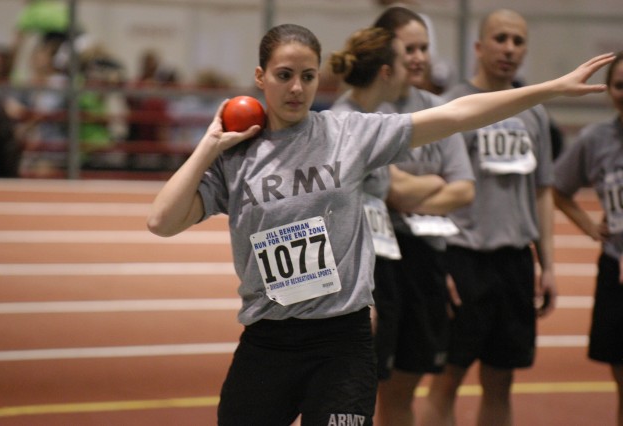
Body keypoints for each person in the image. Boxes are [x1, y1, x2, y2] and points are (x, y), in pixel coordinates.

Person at [146, 21, 613, 426]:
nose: (296, 89)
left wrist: (549, 89)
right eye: (284, 76)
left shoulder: (349, 134)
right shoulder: (236, 158)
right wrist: (209, 146)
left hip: (342, 340)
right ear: (260, 77)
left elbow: (453, 115)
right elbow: (161, 221)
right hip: (268, 340)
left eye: (308, 77)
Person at [422, 9, 559, 426]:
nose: (509, 49)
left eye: (518, 41)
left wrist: (548, 264)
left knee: (501, 381)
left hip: (514, 263)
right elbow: (431, 189)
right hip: (463, 259)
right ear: (480, 47)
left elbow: (541, 191)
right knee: (446, 379)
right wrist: (437, 262)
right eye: (500, 39)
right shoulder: (453, 108)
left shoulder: (534, 112)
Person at [368, 7, 475, 426]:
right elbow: (391, 190)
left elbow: (465, 189)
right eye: (408, 48)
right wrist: (434, 182)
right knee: (372, 386)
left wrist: (412, 189)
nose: (418, 57)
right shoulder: (368, 113)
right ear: (384, 52)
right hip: (380, 260)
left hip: (428, 258)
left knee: (408, 387)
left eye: (424, 48)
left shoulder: (439, 109)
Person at [552, 51, 623, 426]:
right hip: (616, 268)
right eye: (619, 85)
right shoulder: (597, 139)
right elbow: (559, 189)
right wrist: (592, 228)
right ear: (609, 90)